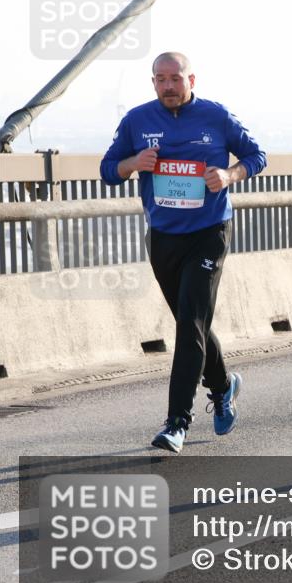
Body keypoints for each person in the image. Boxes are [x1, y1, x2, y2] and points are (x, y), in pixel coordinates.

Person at [100, 52, 267, 452]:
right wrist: (133, 163)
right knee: (192, 322)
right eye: (161, 79)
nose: (169, 86)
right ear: (153, 83)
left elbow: (256, 157)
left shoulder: (215, 116)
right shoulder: (137, 120)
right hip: (163, 237)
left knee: (189, 322)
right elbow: (108, 170)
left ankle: (177, 422)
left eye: (175, 78)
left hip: (209, 232)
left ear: (191, 80)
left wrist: (228, 175)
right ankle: (223, 386)